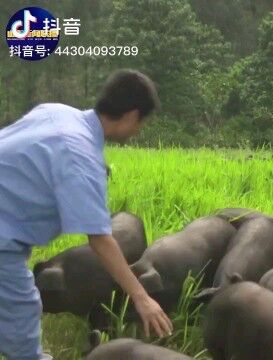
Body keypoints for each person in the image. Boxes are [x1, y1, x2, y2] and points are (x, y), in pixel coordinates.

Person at [0, 69, 173, 360]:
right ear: (131, 116)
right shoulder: (81, 160)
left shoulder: (56, 112)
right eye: (141, 123)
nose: (138, 130)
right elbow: (100, 240)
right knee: (23, 330)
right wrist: (141, 297)